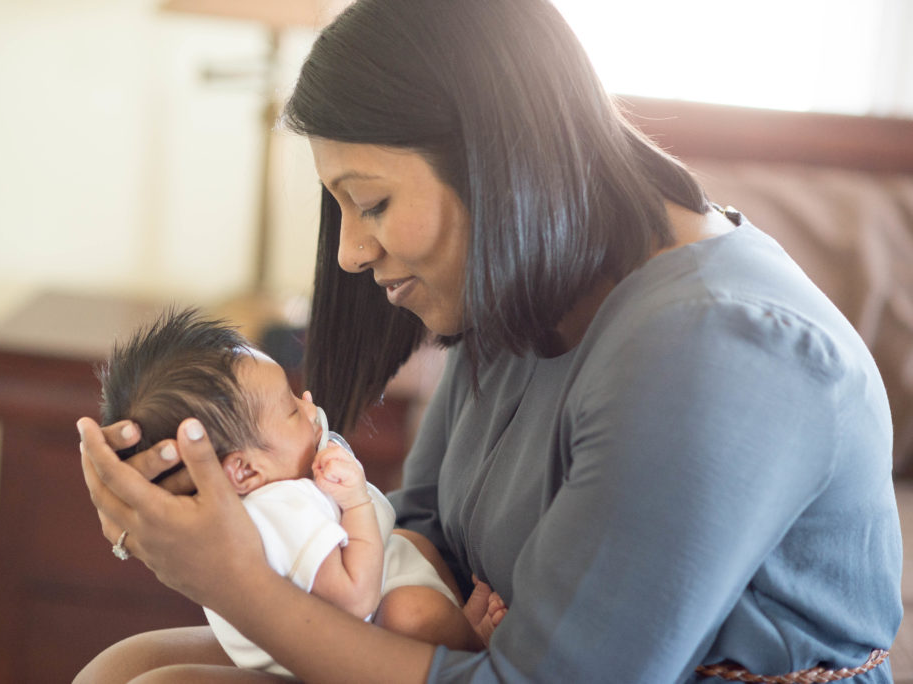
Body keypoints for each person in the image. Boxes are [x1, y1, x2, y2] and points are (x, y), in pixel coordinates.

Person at [78, 0, 903, 681]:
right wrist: (220, 516)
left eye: (369, 203)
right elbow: (426, 531)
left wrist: (237, 585)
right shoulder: (527, 286)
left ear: (496, 164)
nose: (350, 254)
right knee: (129, 668)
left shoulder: (715, 350)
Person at [77, 308, 485, 681]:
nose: (309, 405)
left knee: (408, 547)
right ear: (245, 469)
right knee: (412, 611)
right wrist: (357, 500)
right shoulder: (287, 507)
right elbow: (355, 599)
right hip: (353, 632)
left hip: (304, 637)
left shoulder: (234, 510)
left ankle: (459, 631)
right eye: (291, 410)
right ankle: (468, 642)